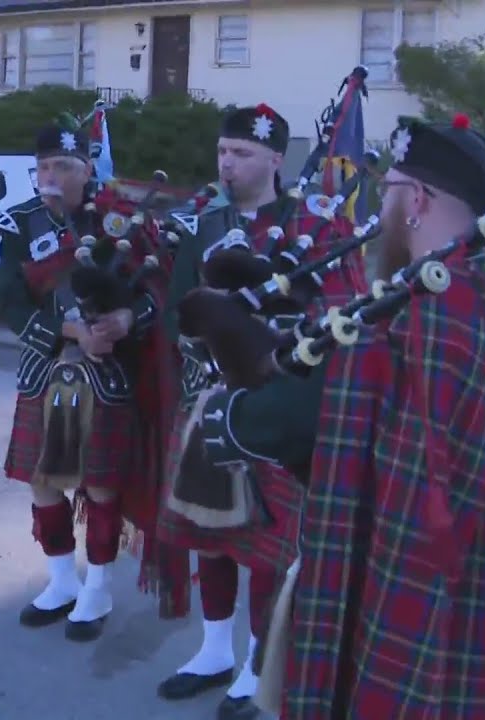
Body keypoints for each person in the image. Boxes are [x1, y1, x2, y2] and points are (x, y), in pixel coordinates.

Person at [281, 114, 485, 718]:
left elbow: (400, 482)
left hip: (401, 583)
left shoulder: (436, 313)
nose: (376, 210)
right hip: (406, 574)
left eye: (386, 190)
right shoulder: (462, 297)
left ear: (415, 200)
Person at [154, 102, 366, 719]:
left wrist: (279, 332)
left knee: (268, 546)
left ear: (276, 159)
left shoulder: (313, 225)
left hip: (274, 400)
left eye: (242, 153)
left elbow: (341, 308)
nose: (228, 162)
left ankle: (255, 660)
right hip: (209, 397)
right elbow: (174, 312)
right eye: (223, 151)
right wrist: (203, 334)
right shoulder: (202, 224)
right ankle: (212, 649)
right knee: (208, 532)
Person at [0, 118, 171, 642]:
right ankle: (62, 580)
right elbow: (9, 300)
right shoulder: (20, 224)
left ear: (87, 169)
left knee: (101, 480)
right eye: (44, 166)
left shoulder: (120, 220)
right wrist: (66, 329)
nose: (52, 176)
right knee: (44, 477)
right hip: (48, 363)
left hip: (108, 368)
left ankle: (99, 587)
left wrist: (127, 321)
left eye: (63, 166)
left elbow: (157, 290)